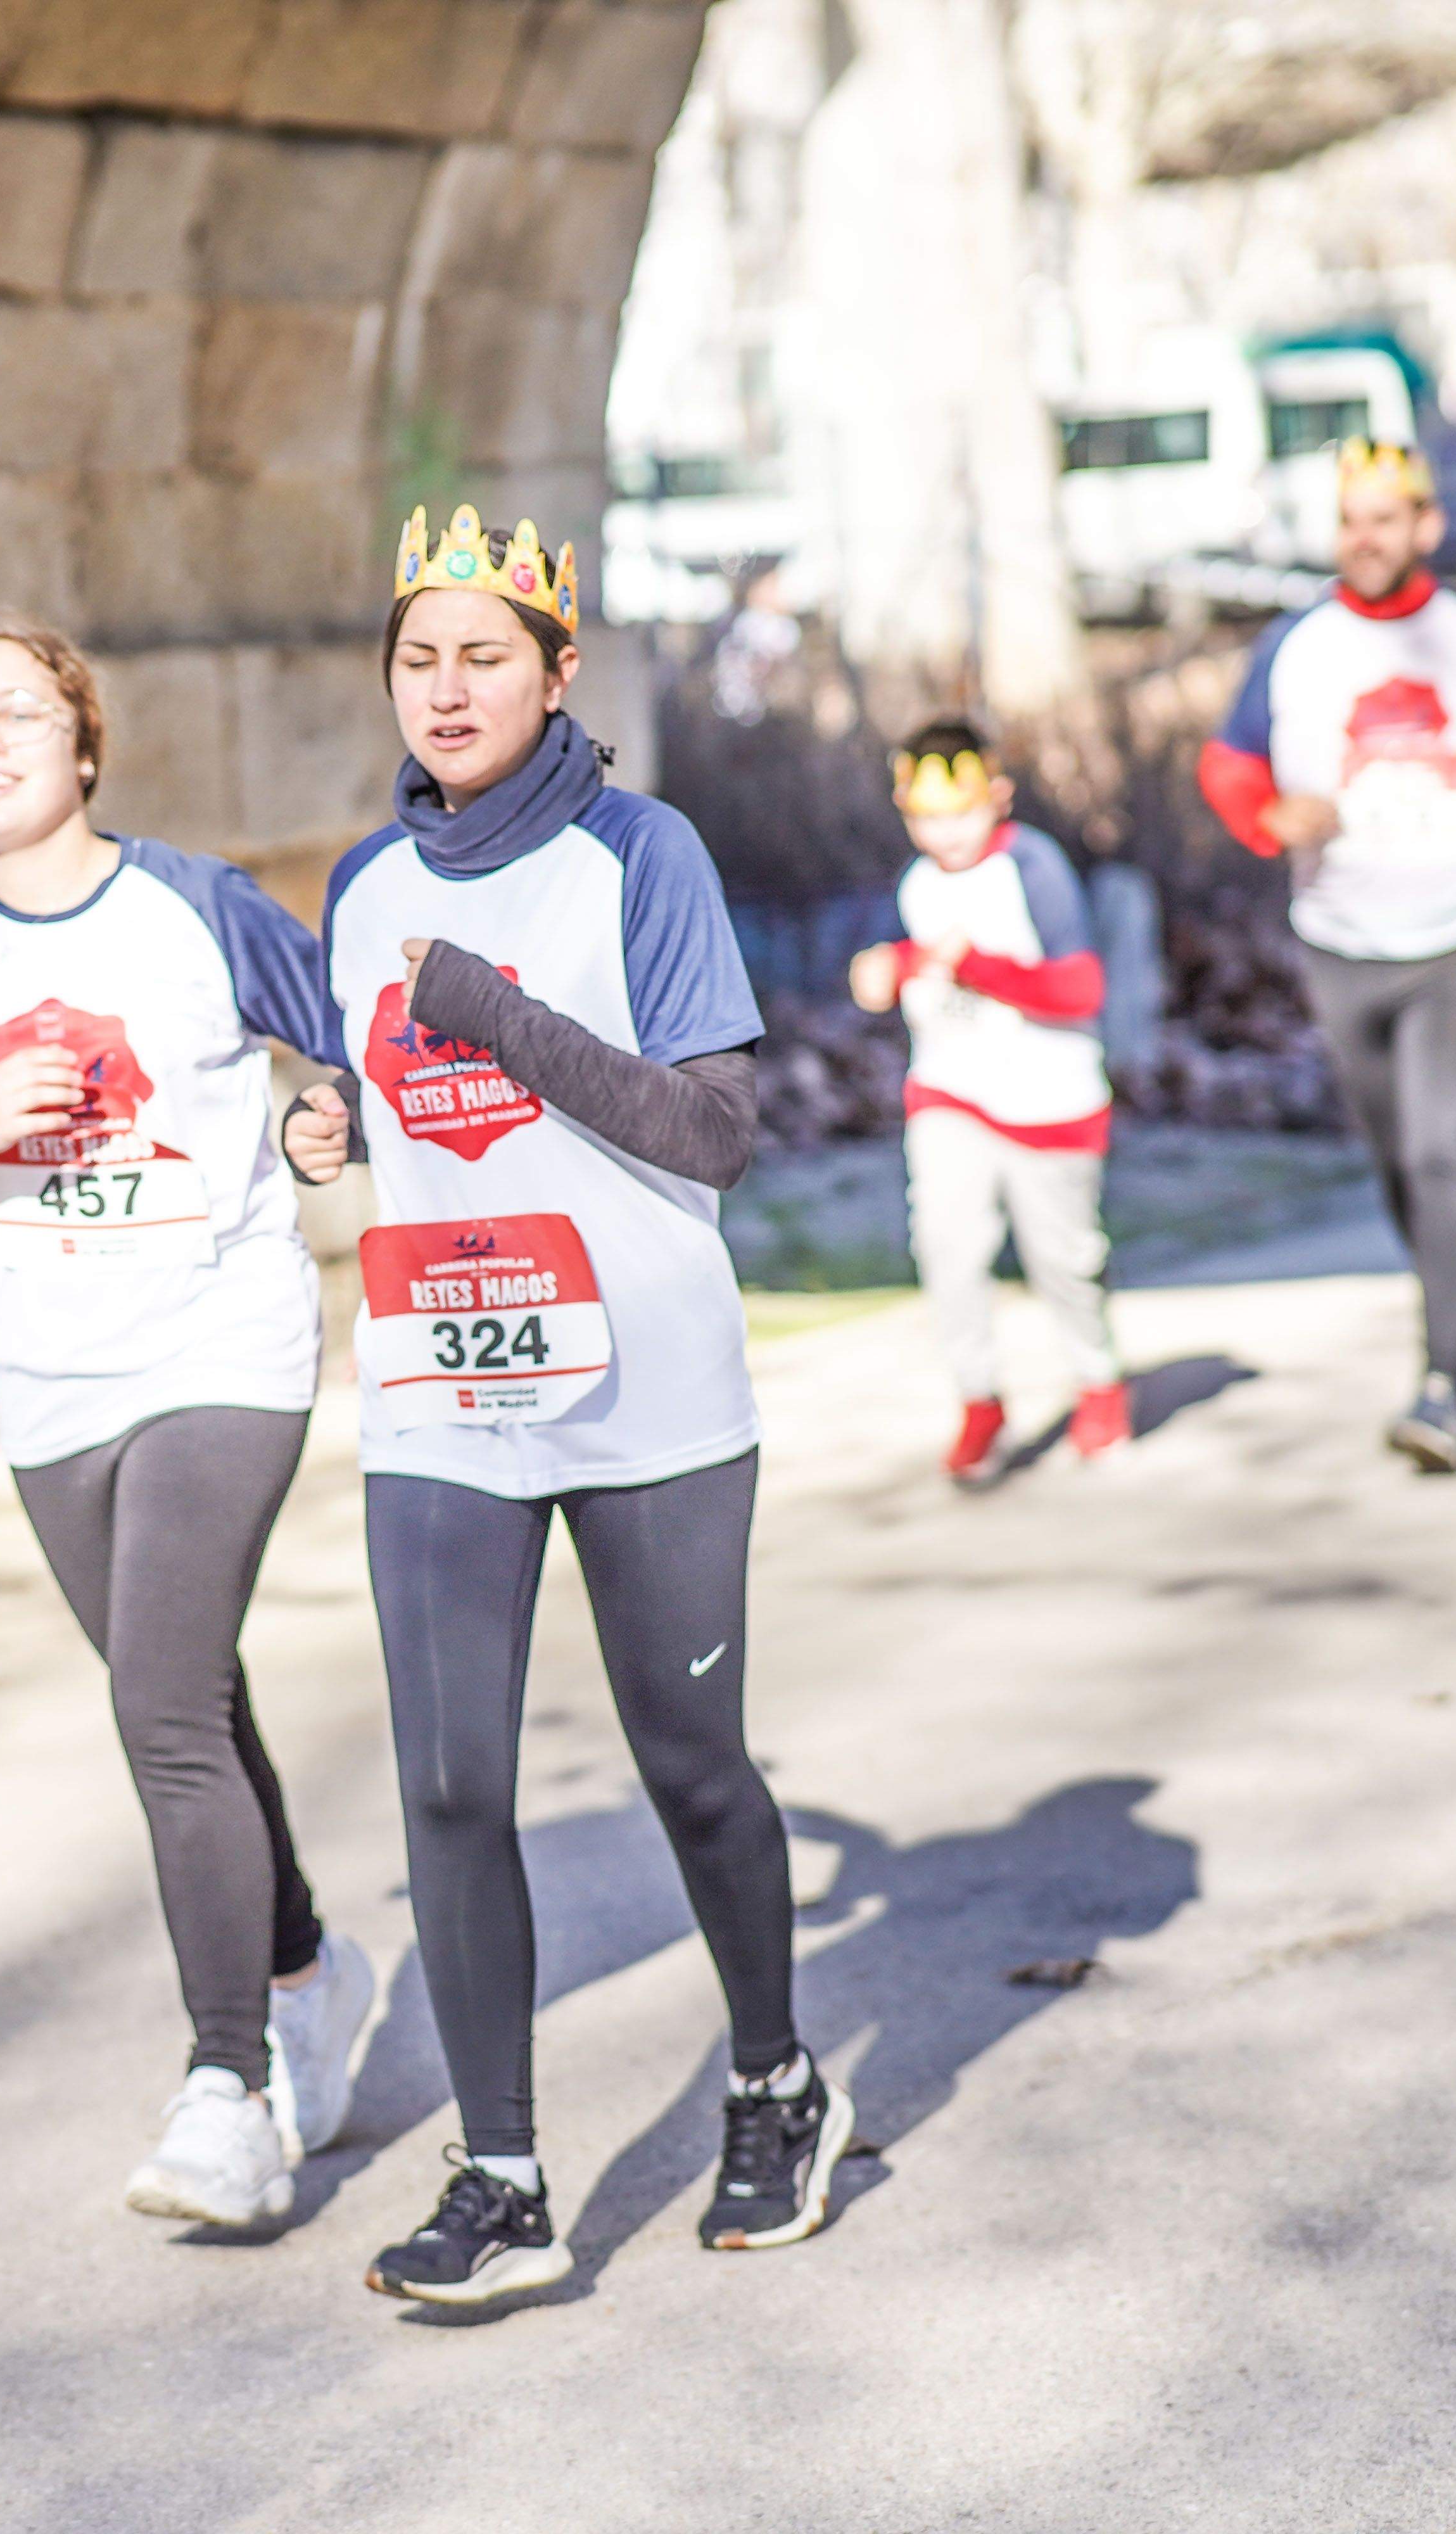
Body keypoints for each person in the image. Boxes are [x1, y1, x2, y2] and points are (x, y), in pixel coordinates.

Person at [283, 507, 847, 2308]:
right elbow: (397, 1112)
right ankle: (504, 2177)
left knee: (689, 1770)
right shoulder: (366, 888)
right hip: (444, 1386)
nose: (446, 690)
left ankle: (774, 2082)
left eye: (485, 657)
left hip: (649, 1397)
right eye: (418, 657)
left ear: (557, 674)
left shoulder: (640, 857)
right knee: (450, 1785)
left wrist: (492, 1013)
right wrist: (328, 1131)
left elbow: (714, 1134)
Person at [0, 612, 378, 2229]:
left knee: (164, 1716)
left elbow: (348, 1046)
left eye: (19, 715)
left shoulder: (193, 903)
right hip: (50, 1369)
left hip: (220, 1338)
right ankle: (309, 1966)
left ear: (84, 743)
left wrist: (330, 1116)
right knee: (182, 1685)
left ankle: (227, 2089)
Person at [1196, 438, 1456, 1473]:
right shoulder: (1298, 645)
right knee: (1399, 1158)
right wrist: (1268, 815)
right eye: (1351, 519)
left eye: (1386, 518)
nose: (1366, 538)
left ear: (1426, 527)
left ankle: (1446, 1384)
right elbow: (1226, 764)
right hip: (1343, 939)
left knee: (1440, 1148)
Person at [850, 717, 1130, 1482]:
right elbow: (906, 956)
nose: (944, 834)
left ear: (998, 796)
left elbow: (1081, 987)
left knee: (1063, 1257)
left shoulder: (1033, 867)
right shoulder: (914, 879)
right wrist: (886, 970)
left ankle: (1097, 1379)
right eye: (926, 818)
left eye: (960, 813)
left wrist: (977, 966)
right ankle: (979, 1400)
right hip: (950, 1090)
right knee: (946, 1246)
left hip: (1049, 1100)